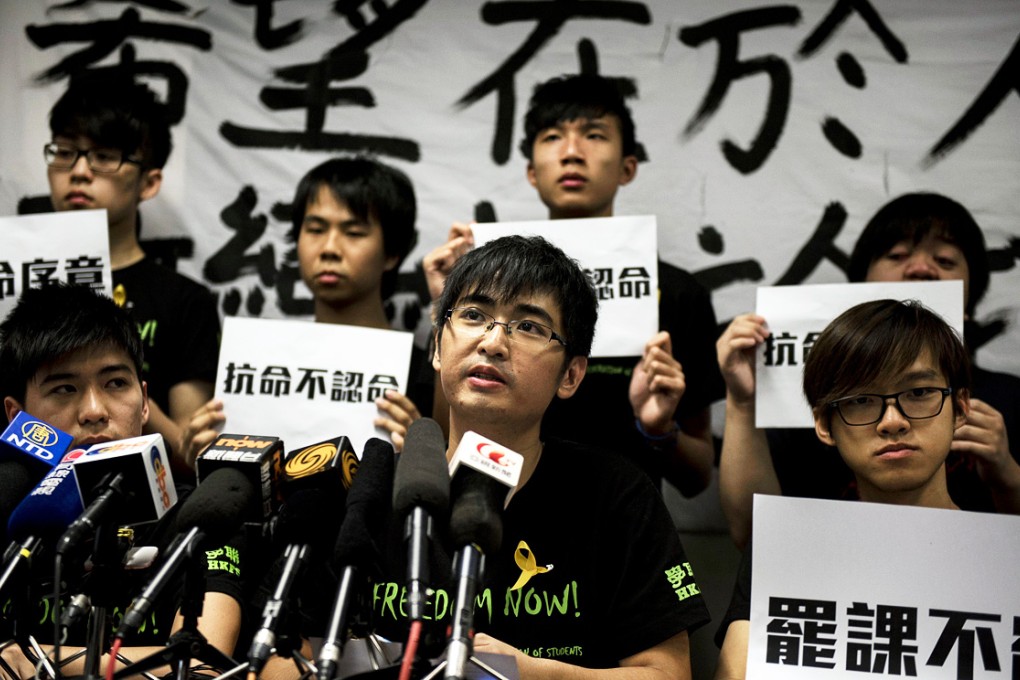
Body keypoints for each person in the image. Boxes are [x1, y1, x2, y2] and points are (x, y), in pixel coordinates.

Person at [371, 235, 710, 678]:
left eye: (528, 326)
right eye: (474, 315)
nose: (493, 343)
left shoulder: (616, 495)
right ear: (436, 347)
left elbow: (666, 674)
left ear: (570, 374)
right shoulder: (372, 486)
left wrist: (527, 671)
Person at [424, 74, 725, 496]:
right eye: (552, 137)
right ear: (531, 171)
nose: (571, 153)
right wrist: (446, 303)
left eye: (594, 135)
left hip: (618, 529)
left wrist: (659, 429)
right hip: (489, 512)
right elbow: (440, 441)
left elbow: (697, 479)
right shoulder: (482, 286)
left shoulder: (677, 294)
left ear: (628, 167)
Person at [718, 192, 1020, 548]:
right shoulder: (802, 397)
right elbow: (755, 538)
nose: (921, 269)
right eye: (897, 255)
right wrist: (742, 402)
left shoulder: (1010, 400)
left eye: (945, 259)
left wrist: (1008, 476)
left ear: (961, 407)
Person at [713, 299, 973, 679]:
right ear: (823, 424)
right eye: (861, 401)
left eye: (918, 393)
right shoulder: (785, 548)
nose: (892, 420)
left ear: (961, 408)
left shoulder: (1004, 557)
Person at [0, 284, 242, 676]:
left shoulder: (199, 516)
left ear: (145, 402)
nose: (95, 411)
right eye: (64, 389)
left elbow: (199, 666)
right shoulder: (9, 509)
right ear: (16, 417)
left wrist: (36, 660)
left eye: (115, 384)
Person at [183, 156, 429, 458]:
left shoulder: (425, 376)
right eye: (315, 229)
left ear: (392, 252)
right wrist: (202, 453)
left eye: (353, 233)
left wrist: (422, 454)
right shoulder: (255, 368)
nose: (329, 249)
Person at [45, 72, 221, 476]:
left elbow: (188, 450)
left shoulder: (183, 300)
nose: (79, 171)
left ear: (149, 181)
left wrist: (118, 386)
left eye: (104, 156)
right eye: (65, 152)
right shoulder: (15, 280)